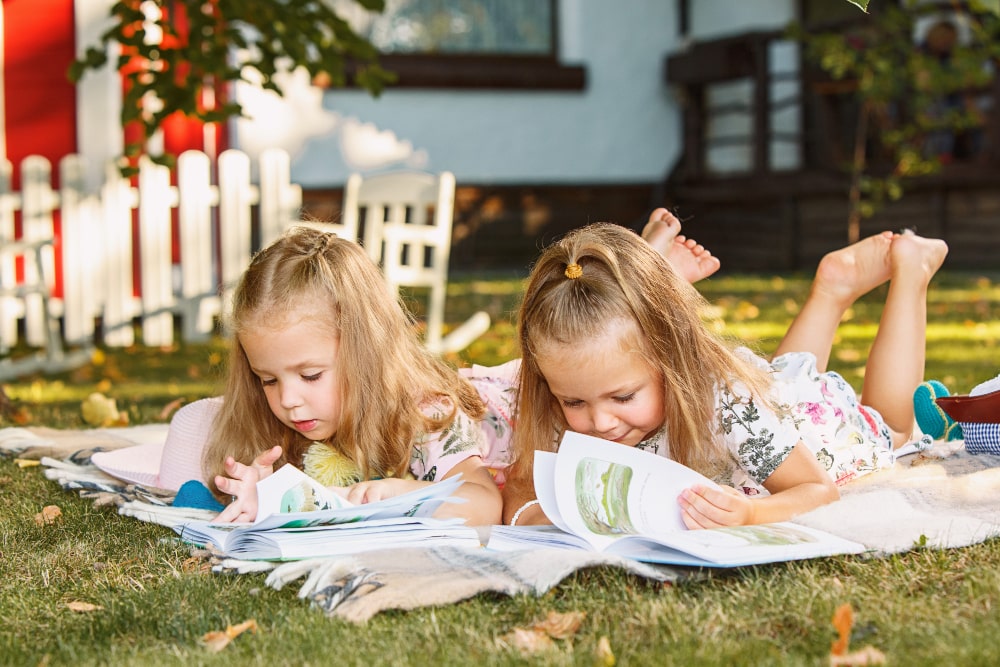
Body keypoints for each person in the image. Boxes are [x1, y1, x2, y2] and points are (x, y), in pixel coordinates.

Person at [502, 222, 948, 529]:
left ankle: (911, 269)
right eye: (574, 402)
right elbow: (519, 492)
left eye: (622, 397)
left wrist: (753, 514)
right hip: (772, 405)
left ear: (673, 359)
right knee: (779, 384)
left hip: (819, 434)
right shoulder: (571, 396)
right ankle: (831, 289)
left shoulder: (726, 404)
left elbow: (817, 489)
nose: (598, 422)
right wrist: (544, 516)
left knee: (893, 426)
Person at [205, 226, 508, 525]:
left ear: (366, 355)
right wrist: (269, 496)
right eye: (268, 380)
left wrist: (399, 494)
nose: (287, 399)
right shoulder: (284, 416)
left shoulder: (426, 414)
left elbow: (485, 505)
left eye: (310, 375)